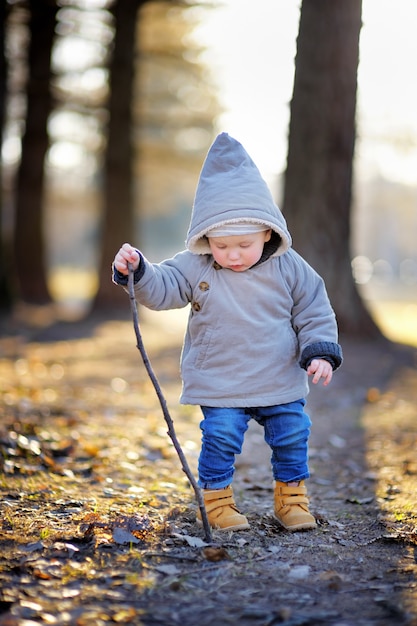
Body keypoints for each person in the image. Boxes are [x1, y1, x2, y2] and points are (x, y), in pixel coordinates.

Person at [112, 132, 343, 533]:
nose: (232, 255)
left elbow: (313, 308)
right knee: (220, 437)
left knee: (292, 434)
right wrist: (138, 271)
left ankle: (292, 499)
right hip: (221, 379)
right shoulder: (196, 265)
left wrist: (320, 352)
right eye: (221, 245)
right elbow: (164, 289)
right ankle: (217, 501)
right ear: (206, 238)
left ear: (268, 232)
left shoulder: (290, 267)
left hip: (278, 378)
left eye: (243, 244)